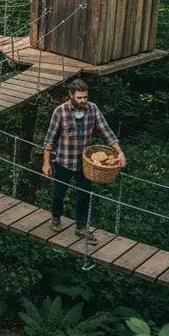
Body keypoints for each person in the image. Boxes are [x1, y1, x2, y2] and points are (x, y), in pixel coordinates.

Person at [42, 78, 126, 241]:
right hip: (64, 161)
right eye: (79, 97)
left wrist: (120, 152)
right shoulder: (60, 112)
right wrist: (46, 163)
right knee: (59, 193)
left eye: (85, 97)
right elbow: (49, 139)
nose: (83, 100)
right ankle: (56, 218)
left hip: (86, 164)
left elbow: (106, 131)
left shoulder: (93, 109)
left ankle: (81, 227)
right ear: (71, 94)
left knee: (85, 195)